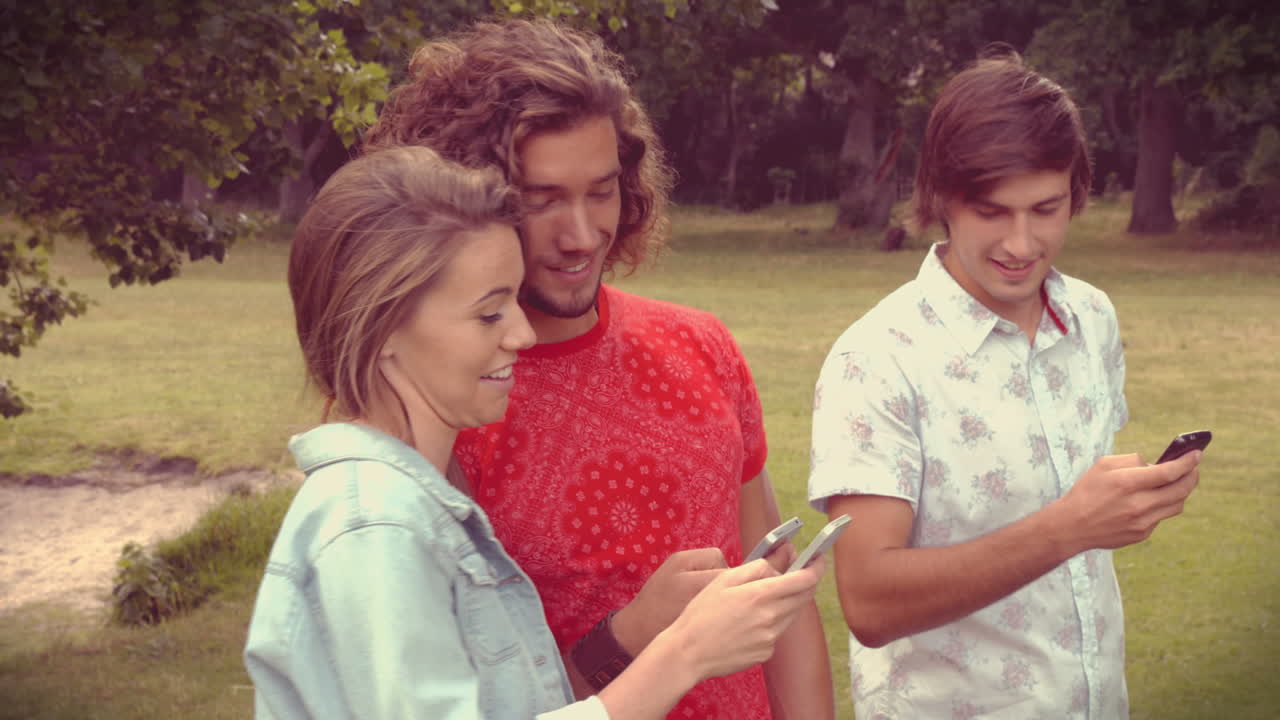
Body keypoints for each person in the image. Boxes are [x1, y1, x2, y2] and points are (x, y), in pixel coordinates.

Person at [243, 145, 826, 720]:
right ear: (382, 328)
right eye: (490, 313)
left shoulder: (421, 511)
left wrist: (640, 629)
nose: (522, 334)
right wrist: (686, 651)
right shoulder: (376, 528)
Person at [362, 18, 833, 720]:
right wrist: (627, 636)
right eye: (541, 200)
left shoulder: (702, 345)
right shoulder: (442, 405)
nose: (581, 235)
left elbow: (779, 603)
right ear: (465, 200)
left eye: (602, 191)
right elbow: (465, 701)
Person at [808, 46, 1204, 718]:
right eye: (993, 211)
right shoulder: (876, 359)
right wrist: (1068, 528)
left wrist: (1126, 507)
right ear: (940, 199)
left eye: (1045, 209)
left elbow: (1073, 535)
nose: (1021, 244)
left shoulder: (1091, 319)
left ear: (1077, 194)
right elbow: (869, 602)